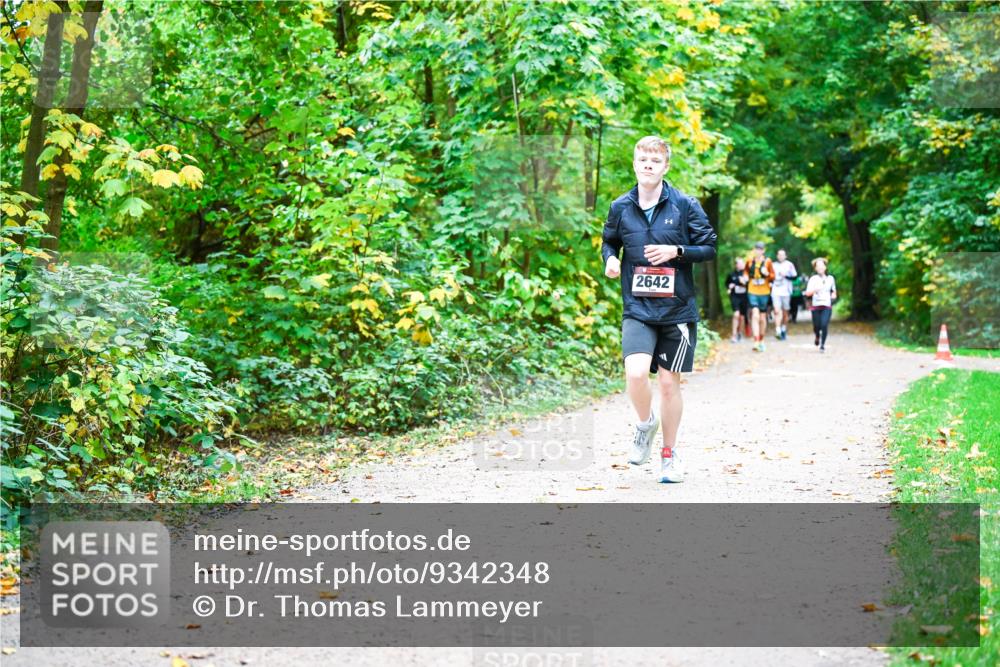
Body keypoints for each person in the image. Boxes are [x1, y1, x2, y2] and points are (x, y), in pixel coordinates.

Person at [601, 135, 717, 483]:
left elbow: (709, 247)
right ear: (635, 164)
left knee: (668, 384)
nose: (648, 165)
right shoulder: (621, 206)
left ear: (665, 167)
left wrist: (677, 252)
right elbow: (610, 240)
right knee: (635, 373)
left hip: (677, 311)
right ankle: (644, 425)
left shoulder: (684, 204)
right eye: (643, 160)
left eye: (655, 160)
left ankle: (669, 456)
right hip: (637, 307)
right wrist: (610, 260)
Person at [744, 241, 774, 352]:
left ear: (763, 250)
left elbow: (773, 276)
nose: (758, 251)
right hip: (752, 290)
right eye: (757, 249)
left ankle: (761, 339)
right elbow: (746, 272)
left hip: (764, 292)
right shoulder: (749, 261)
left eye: (760, 249)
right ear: (754, 250)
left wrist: (767, 274)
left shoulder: (768, 262)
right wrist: (745, 277)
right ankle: (756, 340)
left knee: (762, 317)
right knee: (755, 315)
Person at [804, 257, 837, 352]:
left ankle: (822, 345)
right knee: (816, 326)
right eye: (818, 266)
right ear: (815, 269)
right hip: (816, 306)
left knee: (824, 324)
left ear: (825, 267)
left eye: (822, 266)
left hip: (826, 305)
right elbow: (807, 293)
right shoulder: (813, 279)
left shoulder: (831, 279)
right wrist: (815, 290)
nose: (820, 268)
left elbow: (833, 291)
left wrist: (833, 295)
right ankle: (817, 335)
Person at [770, 249, 797, 340]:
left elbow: (794, 277)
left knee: (785, 312)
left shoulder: (789, 265)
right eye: (779, 255)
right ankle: (777, 330)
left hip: (786, 291)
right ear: (777, 256)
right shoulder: (773, 265)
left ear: (785, 256)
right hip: (776, 290)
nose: (781, 256)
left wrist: (785, 275)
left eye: (783, 255)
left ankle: (783, 328)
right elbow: (769, 278)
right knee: (777, 311)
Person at [726, 257, 749, 343]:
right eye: (739, 263)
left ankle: (740, 333)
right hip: (735, 296)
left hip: (744, 296)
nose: (741, 265)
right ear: (736, 265)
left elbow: (749, 285)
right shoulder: (731, 274)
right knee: (736, 314)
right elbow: (727, 283)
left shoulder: (746, 274)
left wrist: (744, 283)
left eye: (742, 263)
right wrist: (729, 287)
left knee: (742, 317)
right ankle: (734, 335)